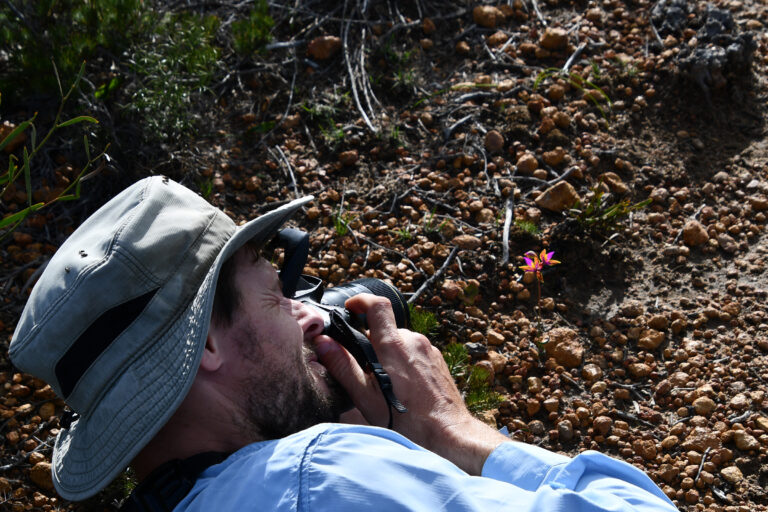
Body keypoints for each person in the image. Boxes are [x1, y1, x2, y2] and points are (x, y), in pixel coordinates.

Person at [10, 176, 677, 511]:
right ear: (206, 343)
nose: (309, 316)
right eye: (276, 296)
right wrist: (457, 435)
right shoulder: (322, 478)